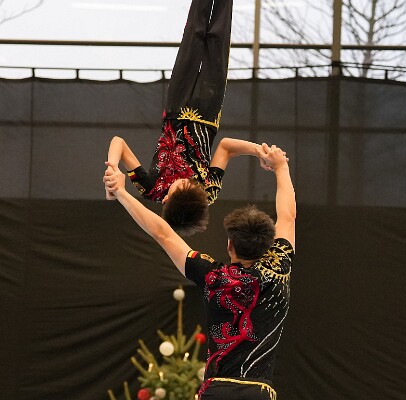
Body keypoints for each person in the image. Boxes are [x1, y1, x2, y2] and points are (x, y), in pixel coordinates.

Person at [103, 143, 296, 400]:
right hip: (258, 392)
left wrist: (121, 192)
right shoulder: (280, 266)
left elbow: (162, 233)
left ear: (229, 245)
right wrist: (281, 167)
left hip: (217, 390)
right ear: (268, 242)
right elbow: (288, 216)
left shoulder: (214, 276)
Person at [106, 0, 267, 237]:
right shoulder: (207, 193)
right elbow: (225, 148)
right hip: (207, 111)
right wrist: (258, 151)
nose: (185, 181)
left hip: (176, 106)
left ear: (166, 199)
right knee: (218, 39)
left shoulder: (151, 189)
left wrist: (112, 168)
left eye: (177, 188)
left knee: (194, 35)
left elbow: (118, 142)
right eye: (190, 186)